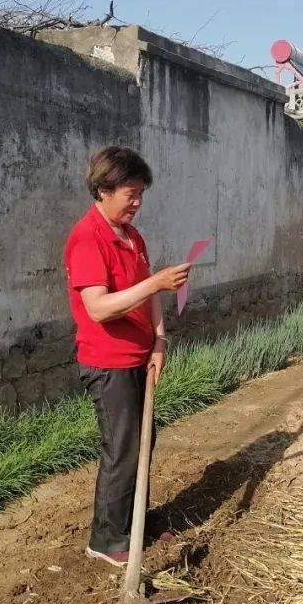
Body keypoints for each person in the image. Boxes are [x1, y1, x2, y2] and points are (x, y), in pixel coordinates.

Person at [63, 145, 191, 568]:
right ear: (103, 189)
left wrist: (159, 341)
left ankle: (136, 520)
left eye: (141, 194)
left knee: (143, 441)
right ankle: (106, 538)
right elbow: (99, 307)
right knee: (122, 448)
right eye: (130, 194)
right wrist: (155, 283)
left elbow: (150, 295)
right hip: (107, 362)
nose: (137, 203)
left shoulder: (132, 238)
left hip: (139, 356)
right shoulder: (87, 238)